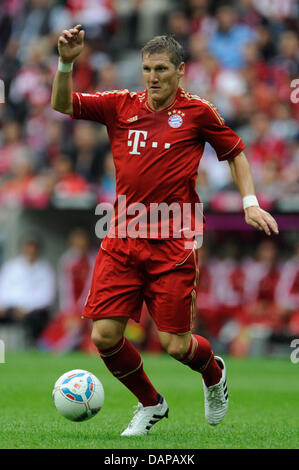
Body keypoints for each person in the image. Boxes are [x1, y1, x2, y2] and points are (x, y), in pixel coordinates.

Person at [51, 25, 279, 437]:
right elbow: (62, 104)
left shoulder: (198, 112)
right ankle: (151, 403)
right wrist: (67, 62)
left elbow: (236, 153)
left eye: (160, 69)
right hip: (122, 236)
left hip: (174, 242)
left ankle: (213, 372)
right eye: (146, 69)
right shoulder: (120, 104)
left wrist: (250, 203)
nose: (152, 77)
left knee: (176, 345)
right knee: (104, 336)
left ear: (180, 71)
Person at [0, 235, 56, 345]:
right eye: (28, 247)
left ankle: (34, 347)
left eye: (34, 247)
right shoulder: (11, 267)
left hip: (34, 311)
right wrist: (7, 306)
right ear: (23, 248)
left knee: (37, 318)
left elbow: (47, 297)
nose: (31, 250)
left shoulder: (45, 269)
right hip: (11, 308)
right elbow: (3, 289)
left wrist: (26, 308)